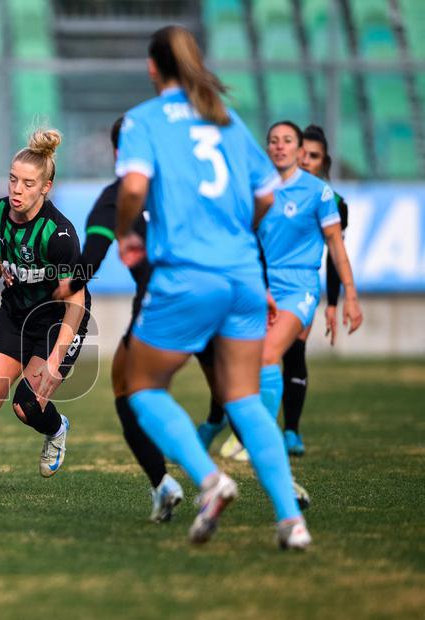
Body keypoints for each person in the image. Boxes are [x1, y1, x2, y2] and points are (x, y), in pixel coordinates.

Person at [115, 25, 311, 549]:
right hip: (245, 274)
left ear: (154, 67)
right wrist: (234, 233)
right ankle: (291, 522)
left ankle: (210, 479)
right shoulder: (228, 120)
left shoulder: (144, 120)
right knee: (243, 396)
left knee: (143, 388)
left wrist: (125, 232)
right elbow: (265, 196)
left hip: (186, 274)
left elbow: (134, 186)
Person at [0, 128, 90, 492]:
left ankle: (56, 429)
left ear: (46, 187)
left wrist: (56, 359)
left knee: (26, 406)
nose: (17, 190)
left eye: (27, 183)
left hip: (59, 321)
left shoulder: (59, 235)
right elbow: (0, 258)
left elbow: (77, 300)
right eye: (13, 180)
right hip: (15, 313)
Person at [53, 116, 184, 522]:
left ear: (116, 153)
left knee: (129, 390)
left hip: (162, 303)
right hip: (220, 292)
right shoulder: (184, 186)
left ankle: (172, 482)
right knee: (235, 395)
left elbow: (91, 258)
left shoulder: (117, 196)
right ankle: (283, 487)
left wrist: (68, 284)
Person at [251, 121, 362, 450]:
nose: (279, 146)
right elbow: (247, 241)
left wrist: (349, 299)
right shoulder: (259, 191)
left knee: (270, 353)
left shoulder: (320, 193)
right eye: (273, 140)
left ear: (299, 151)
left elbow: (337, 250)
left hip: (300, 287)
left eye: (287, 140)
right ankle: (239, 427)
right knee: (242, 357)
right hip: (263, 286)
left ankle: (267, 439)